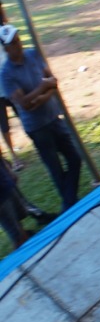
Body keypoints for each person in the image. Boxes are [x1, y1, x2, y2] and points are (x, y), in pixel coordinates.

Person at [1, 24, 81, 210]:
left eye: (18, 40)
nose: (17, 45)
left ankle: (68, 204)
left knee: (74, 157)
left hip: (53, 117)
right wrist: (43, 88)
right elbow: (25, 104)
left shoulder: (32, 55)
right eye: (12, 43)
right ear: (5, 48)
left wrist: (42, 94)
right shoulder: (5, 75)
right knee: (55, 168)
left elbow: (52, 81)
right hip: (37, 128)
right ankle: (70, 204)